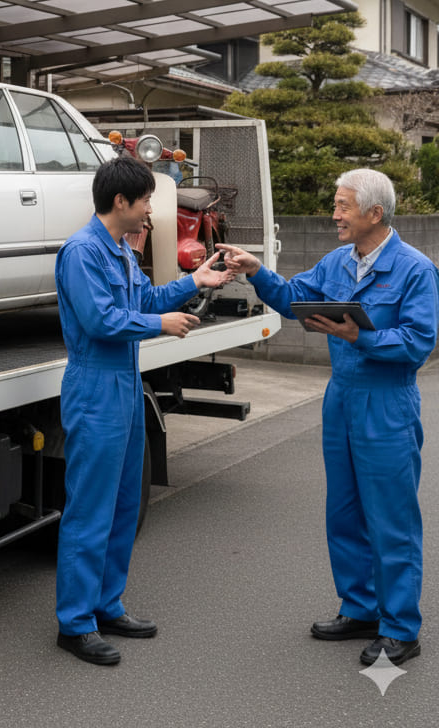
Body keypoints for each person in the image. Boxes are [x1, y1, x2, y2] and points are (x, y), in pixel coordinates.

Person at [218, 168, 439, 667]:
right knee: (343, 511)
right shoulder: (339, 261)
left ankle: (401, 626)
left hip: (387, 401)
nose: (333, 215)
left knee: (391, 518)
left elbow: (417, 345)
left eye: (343, 206)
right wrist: (257, 271)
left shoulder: (415, 270)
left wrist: (359, 337)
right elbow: (296, 299)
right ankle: (360, 607)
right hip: (341, 398)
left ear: (374, 214)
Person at [55, 156, 232, 665]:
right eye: (148, 199)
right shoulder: (82, 252)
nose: (151, 208)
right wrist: (162, 327)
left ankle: (106, 604)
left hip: (126, 385)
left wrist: (194, 280)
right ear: (120, 202)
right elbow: (100, 320)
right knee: (90, 508)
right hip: (94, 386)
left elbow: (147, 298)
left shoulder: (121, 251)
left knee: (123, 504)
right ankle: (74, 623)